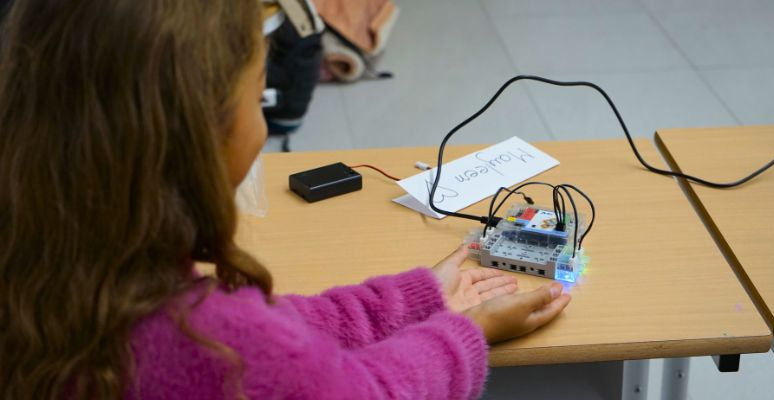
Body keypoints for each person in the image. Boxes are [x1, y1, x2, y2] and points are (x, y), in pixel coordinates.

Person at [0, 1, 571, 399]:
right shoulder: (214, 343)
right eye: (258, 97)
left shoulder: (51, 268)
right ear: (199, 140)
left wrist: (415, 298)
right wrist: (469, 333)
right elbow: (366, 391)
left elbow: (278, 332)